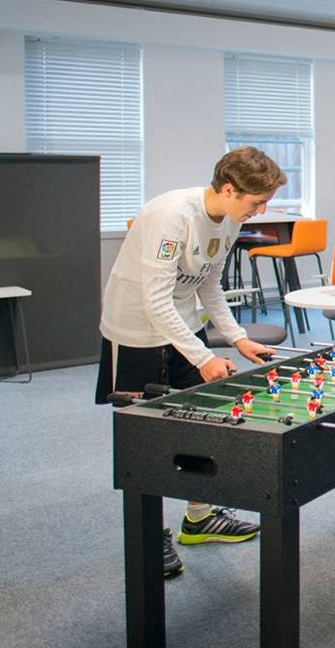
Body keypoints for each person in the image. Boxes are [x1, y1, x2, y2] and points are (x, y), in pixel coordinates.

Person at [97, 147, 285, 579]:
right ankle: (151, 534)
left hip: (183, 323)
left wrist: (237, 338)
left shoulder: (231, 218)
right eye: (257, 202)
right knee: (146, 438)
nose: (261, 211)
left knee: (201, 423)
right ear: (229, 189)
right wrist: (202, 357)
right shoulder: (172, 216)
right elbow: (155, 300)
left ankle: (199, 517)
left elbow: (209, 285)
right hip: (136, 330)